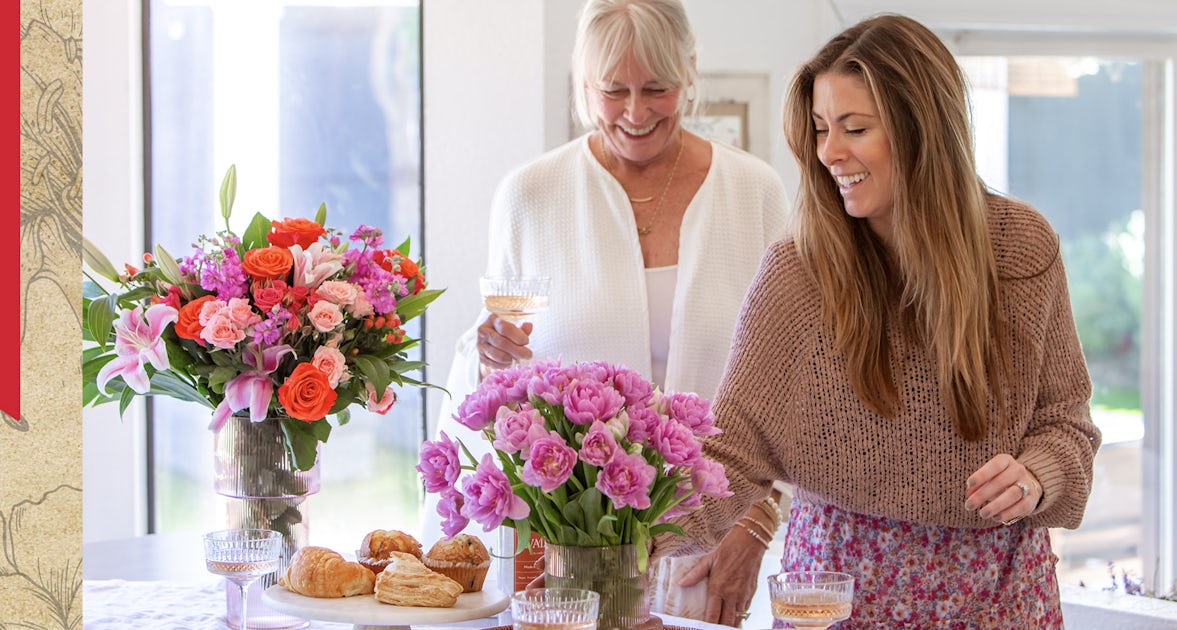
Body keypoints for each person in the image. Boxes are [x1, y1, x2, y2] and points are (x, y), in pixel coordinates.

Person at [658, 14, 1101, 628]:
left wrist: (1036, 477)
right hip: (834, 597)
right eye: (820, 129)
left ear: (923, 130)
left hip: (997, 597)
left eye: (855, 128)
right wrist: (618, 528)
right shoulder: (797, 270)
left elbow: (1067, 425)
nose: (828, 152)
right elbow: (732, 453)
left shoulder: (1021, 249)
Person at [424, 0, 790, 625]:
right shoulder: (531, 195)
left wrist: (754, 529)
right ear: (581, 84)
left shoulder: (754, 191)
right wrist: (485, 353)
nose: (636, 112)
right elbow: (501, 386)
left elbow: (790, 385)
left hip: (719, 545)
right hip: (574, 555)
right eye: (613, 90)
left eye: (658, 88)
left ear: (691, 72)